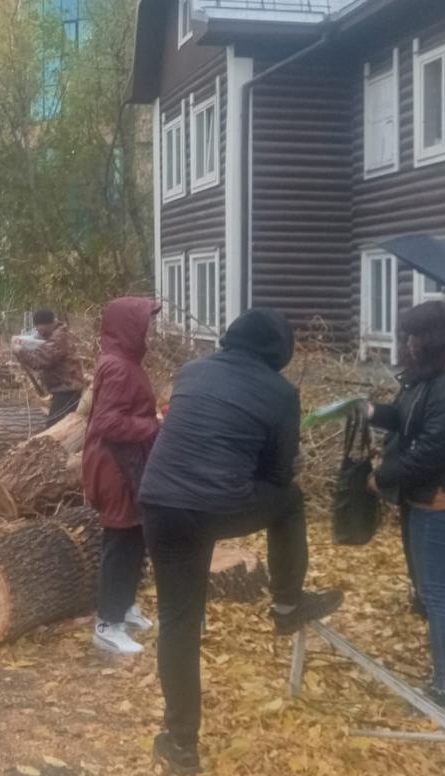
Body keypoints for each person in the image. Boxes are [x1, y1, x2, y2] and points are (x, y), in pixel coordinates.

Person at [139, 308, 343, 774]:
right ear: (280, 353)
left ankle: (180, 743)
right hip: (217, 506)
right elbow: (277, 472)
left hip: (160, 504)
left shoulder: (190, 371)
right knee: (289, 500)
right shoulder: (281, 392)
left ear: (230, 338)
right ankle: (288, 604)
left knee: (178, 625)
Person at [369, 300, 445, 709]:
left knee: (439, 593)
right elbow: (411, 419)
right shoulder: (438, 373)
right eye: (407, 334)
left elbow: (432, 451)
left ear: (434, 338)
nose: (408, 343)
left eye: (415, 335)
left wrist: (381, 478)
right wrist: (372, 412)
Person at [81, 297, 161, 656]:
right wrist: (153, 425)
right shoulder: (118, 367)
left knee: (135, 536)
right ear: (129, 325)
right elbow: (107, 423)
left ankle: (125, 605)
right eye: (147, 322)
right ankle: (106, 624)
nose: (152, 329)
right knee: (119, 542)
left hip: (130, 462)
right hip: (115, 465)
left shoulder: (128, 361)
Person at [14, 309, 87, 428]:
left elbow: (42, 360)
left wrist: (21, 351)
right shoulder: (54, 335)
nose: (37, 330)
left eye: (38, 326)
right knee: (57, 425)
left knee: (54, 428)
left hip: (68, 390)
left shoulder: (59, 337)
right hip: (63, 389)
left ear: (47, 324)